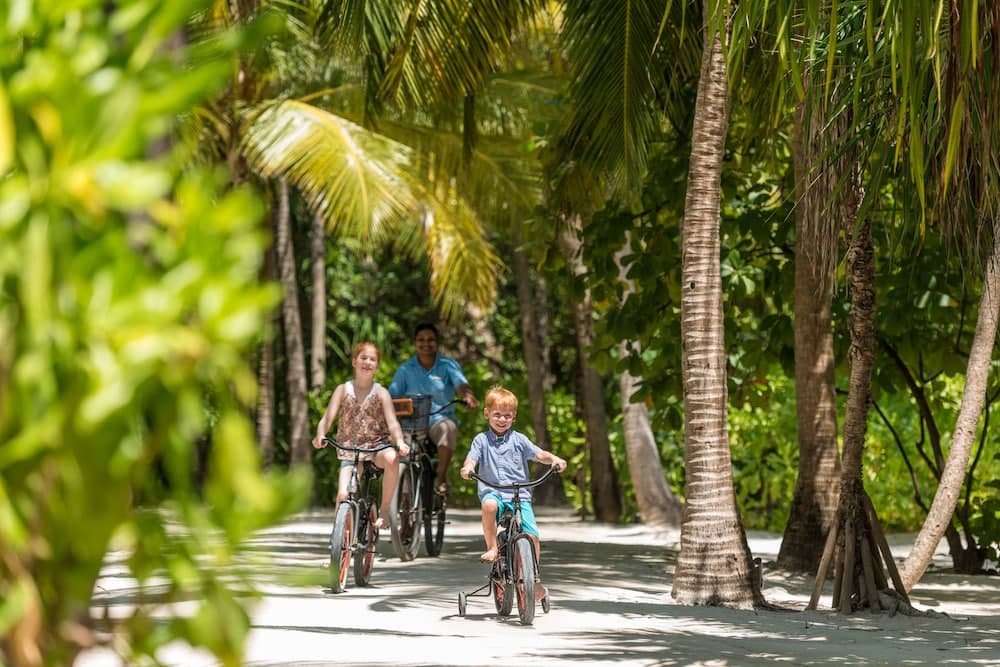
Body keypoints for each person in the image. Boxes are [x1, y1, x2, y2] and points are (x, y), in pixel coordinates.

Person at [460, 385, 566, 599]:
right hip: (494, 492)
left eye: (507, 416)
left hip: (519, 496)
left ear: (514, 417)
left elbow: (539, 454)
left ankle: (533, 579)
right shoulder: (481, 440)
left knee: (533, 537)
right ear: (487, 413)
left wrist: (554, 459)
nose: (502, 420)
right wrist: (468, 468)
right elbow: (472, 458)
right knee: (489, 505)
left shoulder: (519, 440)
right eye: (497, 414)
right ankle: (492, 548)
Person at [313, 342, 410, 529]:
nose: (367, 362)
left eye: (372, 359)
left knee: (391, 457)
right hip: (350, 450)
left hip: (376, 447)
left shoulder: (381, 392)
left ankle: (384, 509)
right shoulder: (343, 390)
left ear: (377, 365)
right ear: (354, 362)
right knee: (343, 495)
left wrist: (399, 442)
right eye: (363, 358)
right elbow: (327, 418)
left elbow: (392, 423)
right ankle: (338, 542)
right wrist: (320, 435)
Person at [388, 322, 478, 496]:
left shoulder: (447, 365)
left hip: (439, 418)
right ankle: (403, 497)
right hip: (411, 422)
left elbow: (462, 385)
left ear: (437, 342)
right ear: (415, 343)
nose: (426, 343)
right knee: (401, 448)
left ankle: (441, 477)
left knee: (448, 428)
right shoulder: (405, 369)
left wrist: (468, 396)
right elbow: (392, 395)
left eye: (430, 340)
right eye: (421, 340)